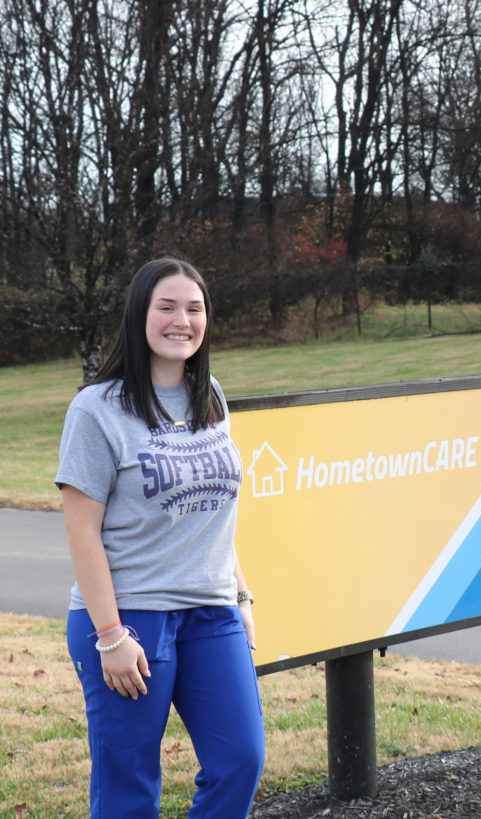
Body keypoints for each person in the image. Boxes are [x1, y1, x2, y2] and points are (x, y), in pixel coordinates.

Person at [55, 257, 265, 818]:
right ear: (139, 316)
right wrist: (110, 635)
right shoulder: (96, 409)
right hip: (131, 620)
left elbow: (213, 510)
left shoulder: (210, 395)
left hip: (211, 613)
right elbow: (82, 533)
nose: (182, 321)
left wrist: (240, 595)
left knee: (241, 760)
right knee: (129, 786)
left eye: (194, 309)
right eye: (166, 307)